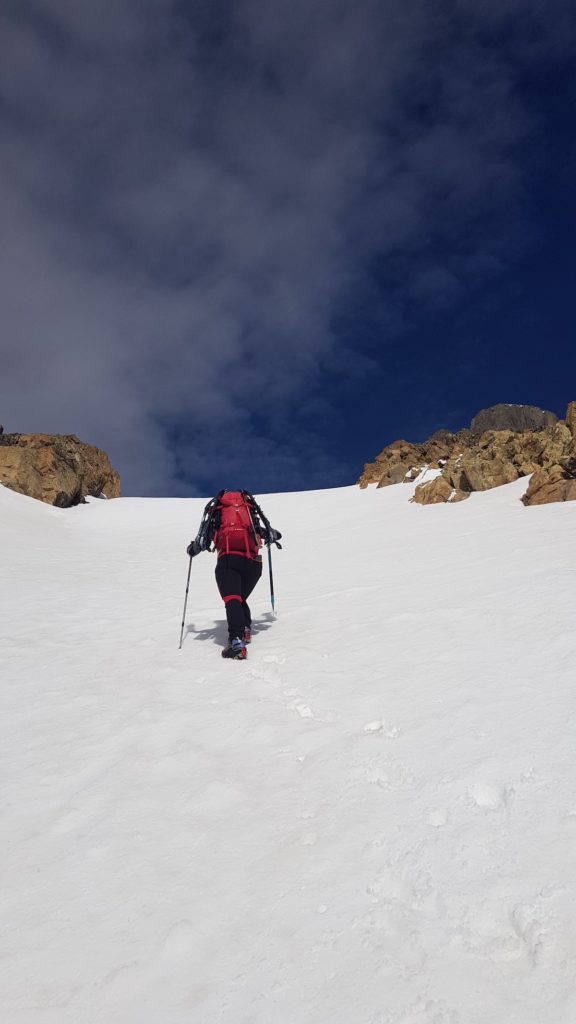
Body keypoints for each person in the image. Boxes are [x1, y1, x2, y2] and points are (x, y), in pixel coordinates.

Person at [187, 490, 282, 660]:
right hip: (253, 564)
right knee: (239, 599)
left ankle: (237, 641)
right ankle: (245, 628)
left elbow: (202, 540)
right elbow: (272, 533)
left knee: (233, 600)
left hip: (228, 561)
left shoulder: (218, 514)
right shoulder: (251, 516)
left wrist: (193, 549)